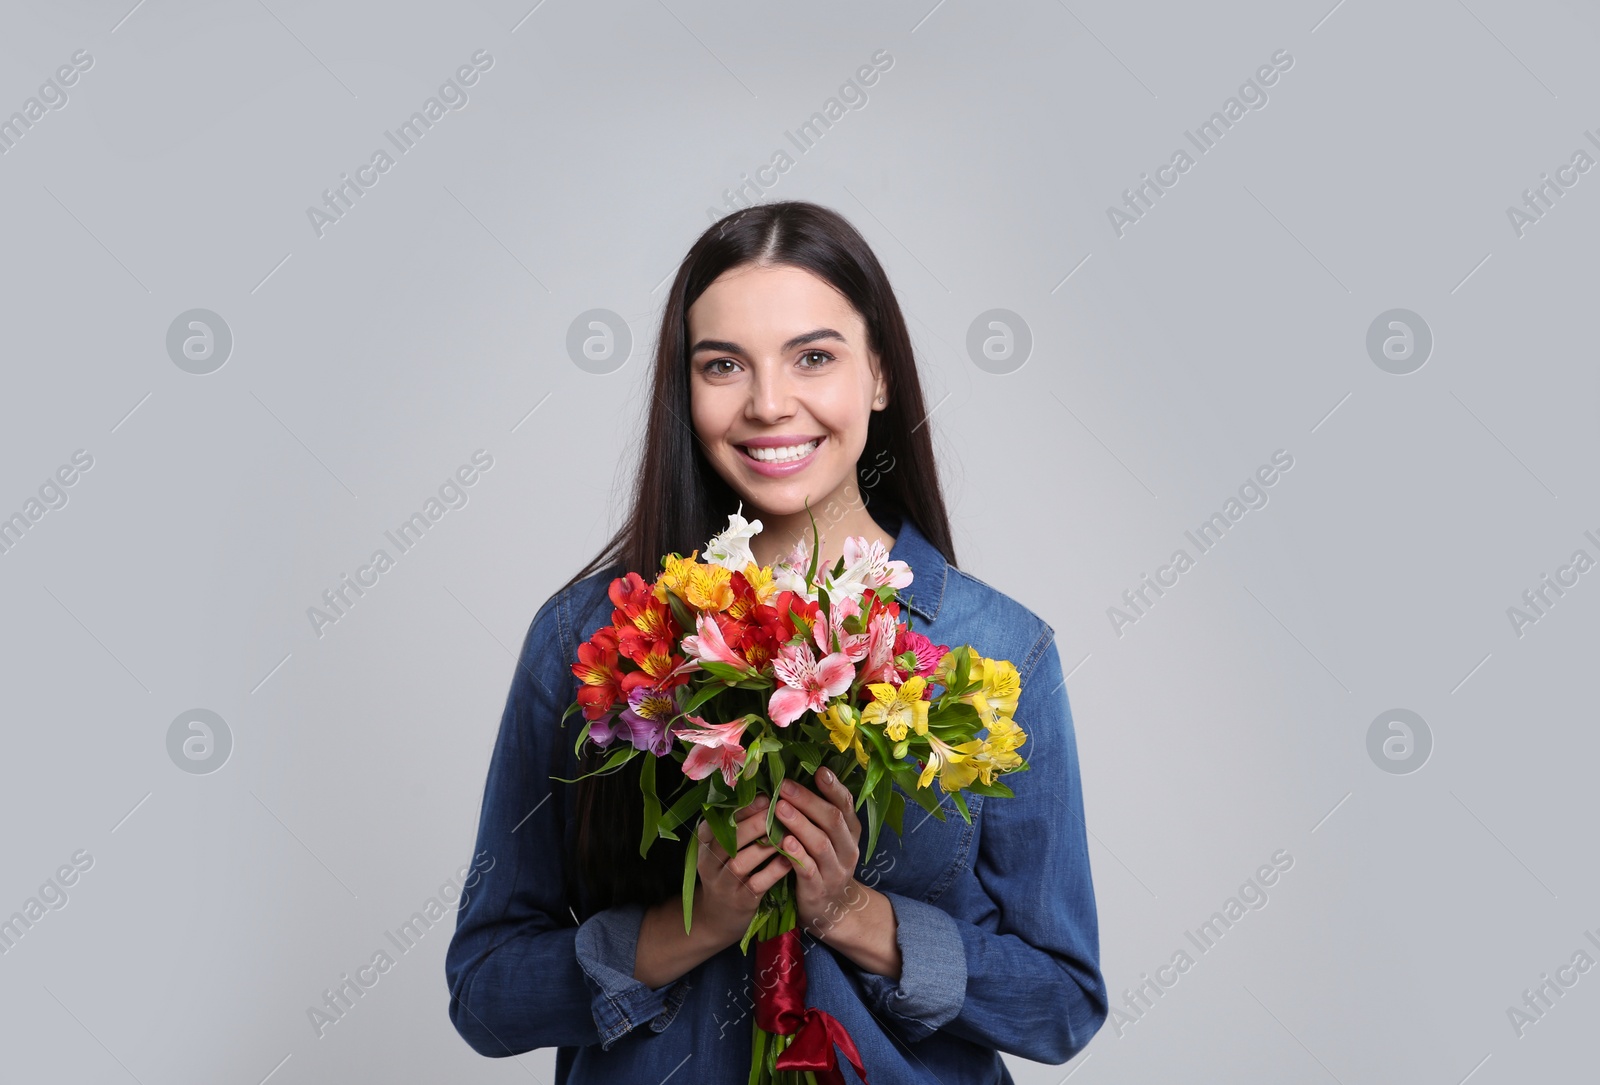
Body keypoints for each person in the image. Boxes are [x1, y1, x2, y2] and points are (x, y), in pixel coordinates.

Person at [444, 200, 1107, 1083]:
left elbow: (1063, 1005)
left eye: (814, 357)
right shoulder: (595, 638)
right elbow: (485, 992)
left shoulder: (996, 653)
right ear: (685, 387)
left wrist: (851, 910)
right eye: (724, 364)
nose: (768, 403)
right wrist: (695, 927)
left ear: (878, 374)